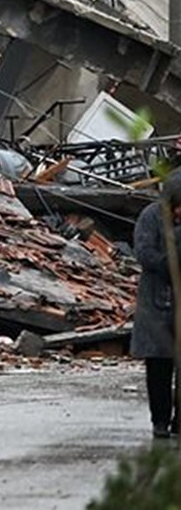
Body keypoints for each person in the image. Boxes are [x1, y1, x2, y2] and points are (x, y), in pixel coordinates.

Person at [132, 170, 181, 439]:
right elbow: (145, 252)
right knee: (159, 367)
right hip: (157, 301)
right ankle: (160, 421)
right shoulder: (151, 217)